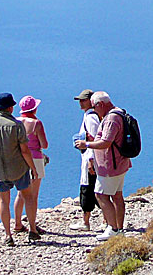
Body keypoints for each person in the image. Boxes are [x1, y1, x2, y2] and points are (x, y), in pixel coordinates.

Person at [0, 93, 40, 246]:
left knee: (3, 201)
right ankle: (33, 230)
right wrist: (33, 168)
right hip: (19, 168)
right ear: (10, 107)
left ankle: (8, 235)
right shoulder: (16, 125)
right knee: (28, 197)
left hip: (0, 170)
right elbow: (25, 150)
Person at [74, 91, 131, 241]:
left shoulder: (111, 118)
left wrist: (85, 144)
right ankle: (119, 228)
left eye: (94, 106)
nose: (94, 109)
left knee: (100, 195)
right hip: (120, 163)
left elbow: (106, 142)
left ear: (100, 104)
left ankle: (113, 228)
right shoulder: (119, 112)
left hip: (110, 165)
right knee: (117, 196)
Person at [13, 95, 48, 234]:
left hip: (19, 159)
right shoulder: (36, 123)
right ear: (34, 108)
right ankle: (33, 226)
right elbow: (44, 145)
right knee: (33, 196)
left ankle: (17, 224)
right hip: (35, 159)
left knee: (21, 193)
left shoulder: (15, 121)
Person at [69, 89, 100, 231]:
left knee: (88, 190)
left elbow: (94, 139)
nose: (81, 103)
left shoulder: (90, 118)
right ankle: (106, 221)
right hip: (90, 159)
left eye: (83, 100)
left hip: (90, 160)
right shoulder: (91, 116)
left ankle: (86, 223)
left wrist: (91, 161)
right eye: (80, 100)